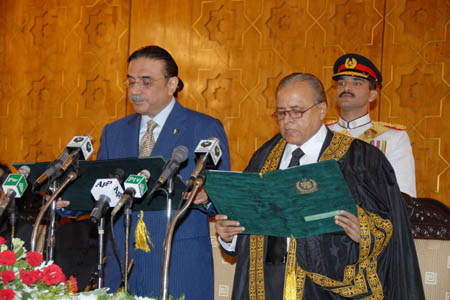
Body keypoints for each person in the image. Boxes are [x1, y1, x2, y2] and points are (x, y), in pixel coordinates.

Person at [216, 73, 424, 299]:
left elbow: (391, 225)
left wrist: (363, 229)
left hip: (323, 288)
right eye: (281, 113)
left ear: (322, 110)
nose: (287, 120)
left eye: (297, 111)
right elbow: (246, 221)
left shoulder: (360, 160)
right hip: (264, 282)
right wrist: (229, 236)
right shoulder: (264, 156)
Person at [96, 45, 230, 298]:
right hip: (123, 265)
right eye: (131, 81)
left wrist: (209, 196)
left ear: (172, 85)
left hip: (180, 265)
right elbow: (101, 188)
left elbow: (224, 197)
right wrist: (66, 201)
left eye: (146, 82)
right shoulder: (114, 132)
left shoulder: (203, 127)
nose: (135, 91)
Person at [327, 53, 416, 197]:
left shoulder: (393, 138)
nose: (346, 88)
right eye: (341, 83)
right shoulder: (320, 133)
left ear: (372, 95)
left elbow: (404, 197)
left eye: (356, 83)